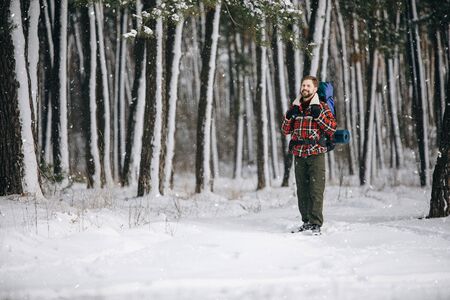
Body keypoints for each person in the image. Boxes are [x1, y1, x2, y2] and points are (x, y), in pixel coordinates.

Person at [282, 75, 337, 234]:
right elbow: (285, 130)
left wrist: (318, 116)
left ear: (314, 89)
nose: (305, 88)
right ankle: (306, 221)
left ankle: (316, 223)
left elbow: (331, 128)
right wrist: (288, 116)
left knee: (316, 189)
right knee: (302, 190)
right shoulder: (295, 106)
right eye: (303, 85)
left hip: (316, 153)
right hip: (298, 154)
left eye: (308, 86)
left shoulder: (321, 106)